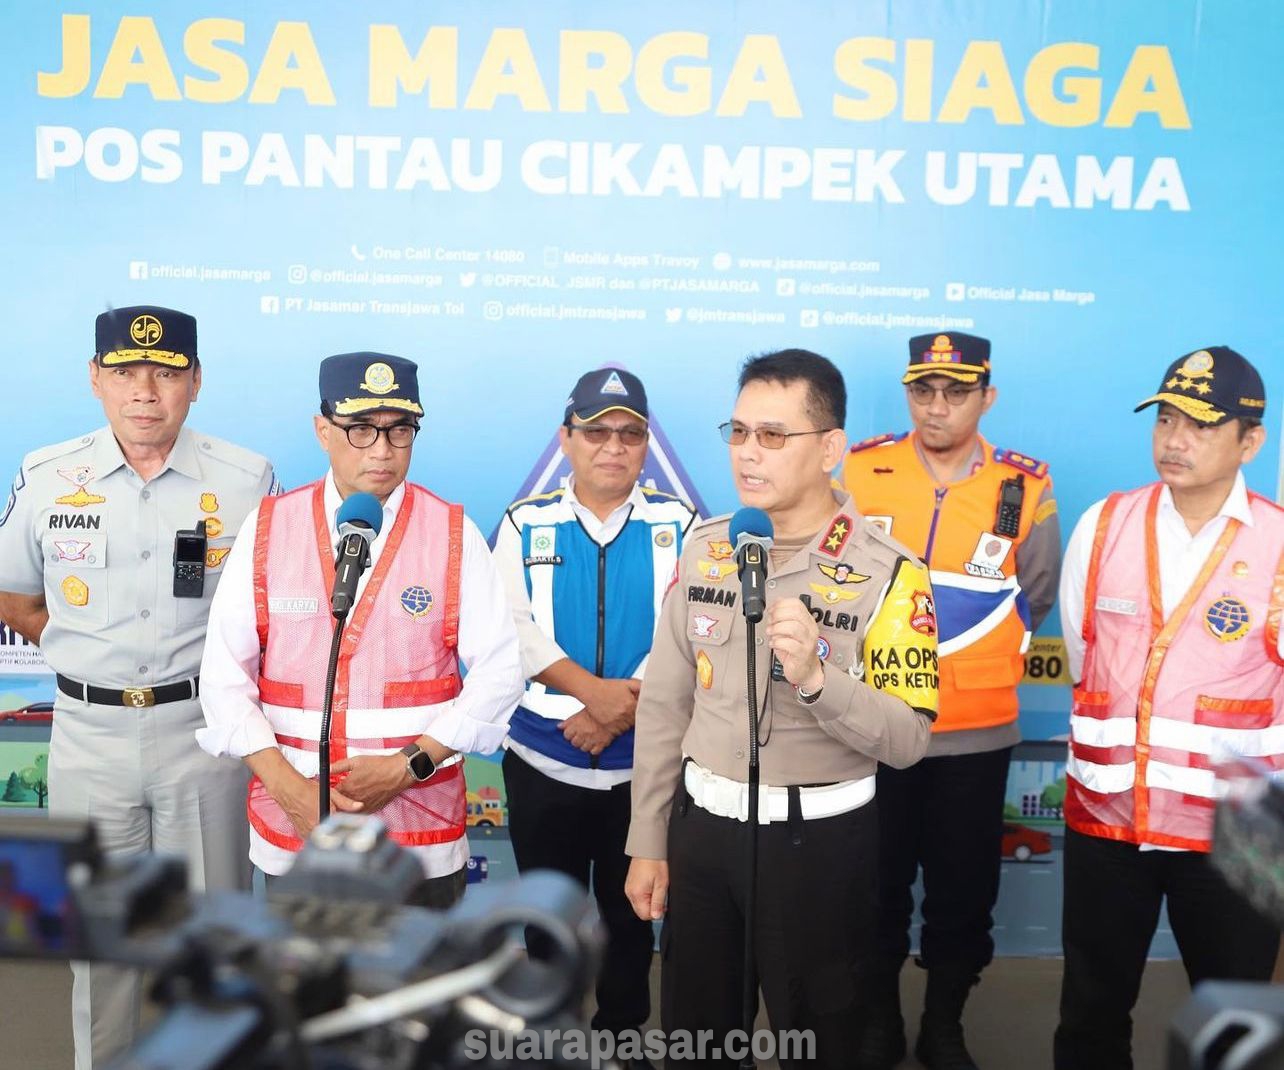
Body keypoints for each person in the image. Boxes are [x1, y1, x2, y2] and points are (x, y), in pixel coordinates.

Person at [625, 349, 938, 1069]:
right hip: (703, 839)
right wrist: (648, 837)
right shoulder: (707, 550)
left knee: (824, 1043)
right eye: (737, 433)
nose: (747, 454)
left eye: (772, 436)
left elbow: (909, 740)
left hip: (819, 852)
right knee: (697, 1043)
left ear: (831, 449)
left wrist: (820, 679)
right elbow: (667, 705)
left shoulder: (889, 572)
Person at [0, 305, 278, 1068]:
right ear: (96, 380)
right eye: (125, 372)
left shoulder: (246, 477)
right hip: (88, 739)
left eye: (165, 372)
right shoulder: (50, 474)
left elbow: (268, 612)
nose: (145, 391)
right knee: (102, 942)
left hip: (202, 736)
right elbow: (14, 594)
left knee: (215, 934)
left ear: (195, 382)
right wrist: (76, 647)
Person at [197, 352, 523, 906]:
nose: (381, 450)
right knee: (306, 990)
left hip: (417, 831)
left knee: (416, 989)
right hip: (298, 827)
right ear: (323, 430)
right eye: (361, 429)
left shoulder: (450, 532)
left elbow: (501, 672)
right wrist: (289, 789)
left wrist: (407, 765)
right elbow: (223, 676)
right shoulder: (272, 526)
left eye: (400, 431)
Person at [1054, 346, 1282, 1069]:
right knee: (1090, 1011)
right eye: (1167, 419)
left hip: (1236, 831)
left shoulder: (1279, 544)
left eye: (1201, 425)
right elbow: (1086, 659)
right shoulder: (1104, 525)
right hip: (1108, 820)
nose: (1175, 440)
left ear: (1251, 440)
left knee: (1235, 1022)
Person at [841, 332, 1061, 1069]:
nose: (937, 406)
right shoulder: (860, 469)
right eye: (924, 390)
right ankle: (878, 1022)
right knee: (874, 890)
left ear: (986, 397)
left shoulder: (1023, 486)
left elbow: (1036, 593)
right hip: (873, 730)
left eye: (956, 391)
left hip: (976, 734)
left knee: (963, 895)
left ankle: (944, 1025)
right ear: (909, 394)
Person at [493, 368, 698, 1058]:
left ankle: (621, 1037)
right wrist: (592, 692)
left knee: (631, 916)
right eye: (597, 431)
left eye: (630, 433)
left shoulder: (683, 525)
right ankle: (549, 1035)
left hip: (640, 770)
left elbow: (688, 628)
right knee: (546, 918)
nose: (613, 446)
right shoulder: (526, 522)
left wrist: (615, 713)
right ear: (568, 439)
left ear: (646, 444)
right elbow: (512, 629)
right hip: (543, 757)